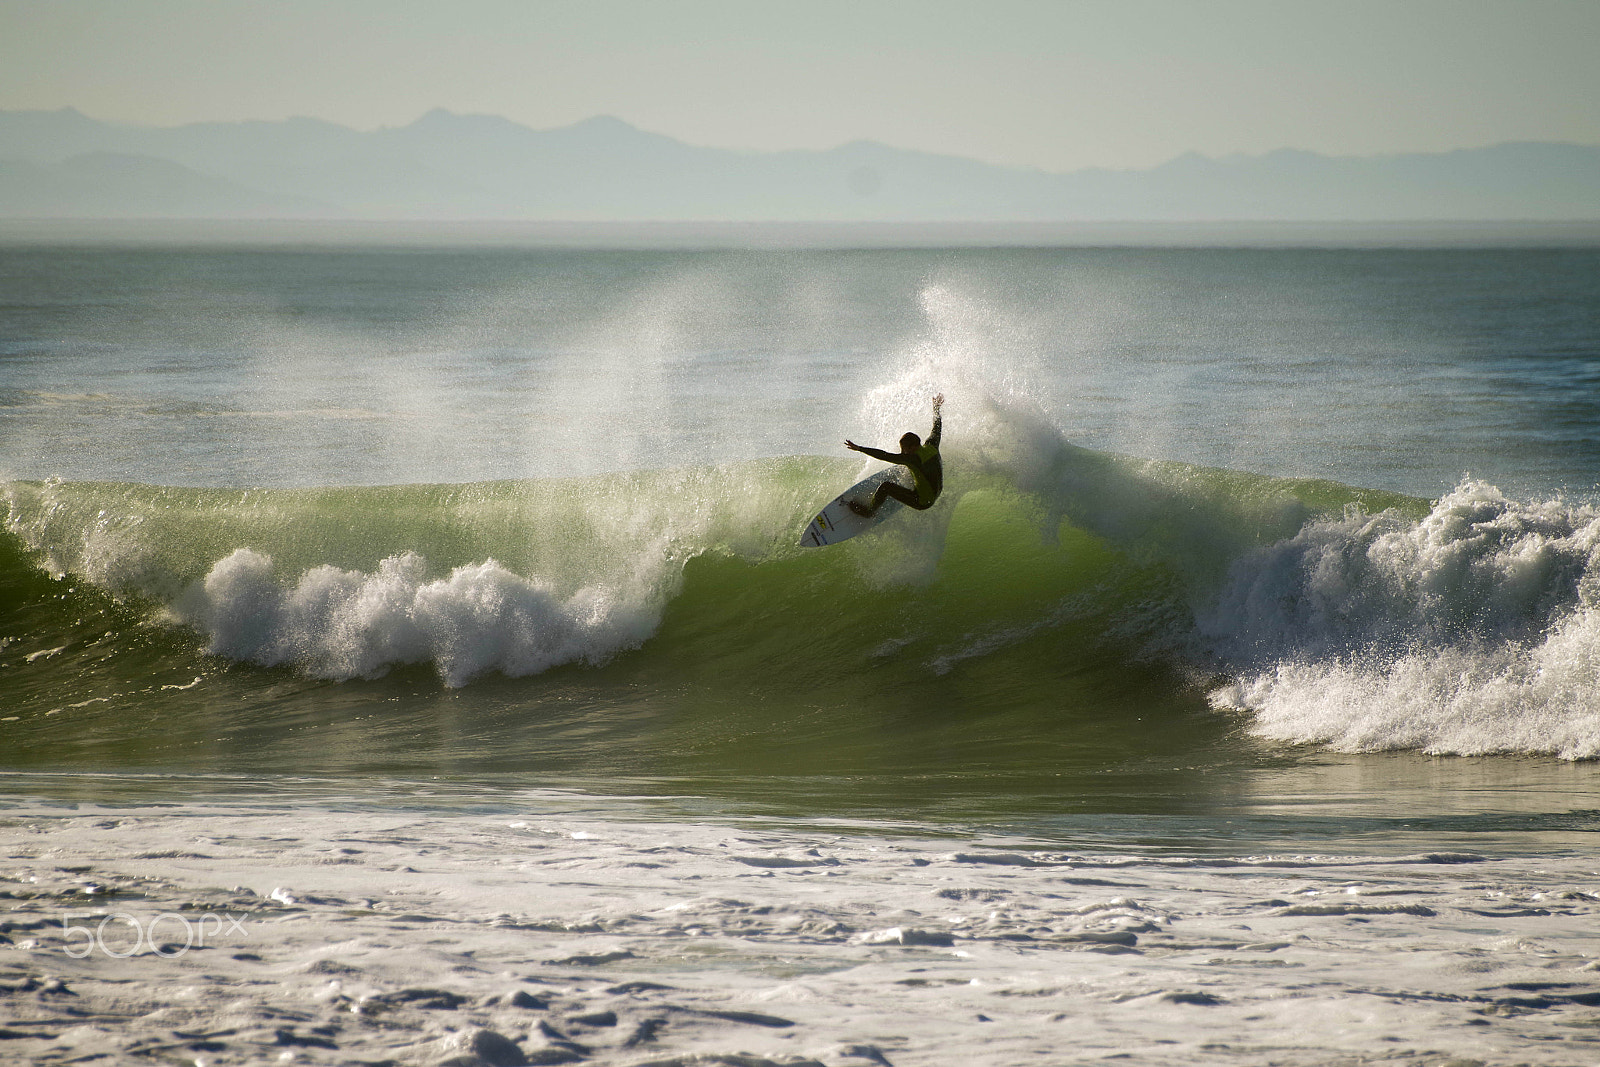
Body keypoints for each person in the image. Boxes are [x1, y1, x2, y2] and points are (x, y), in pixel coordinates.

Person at [844, 394, 944, 517]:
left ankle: (870, 511)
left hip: (922, 501)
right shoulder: (932, 444)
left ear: (913, 447)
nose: (903, 452)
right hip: (937, 492)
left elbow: (884, 455)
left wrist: (859, 448)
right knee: (917, 470)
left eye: (905, 450)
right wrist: (936, 408)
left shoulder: (912, 458)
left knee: (886, 487)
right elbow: (937, 427)